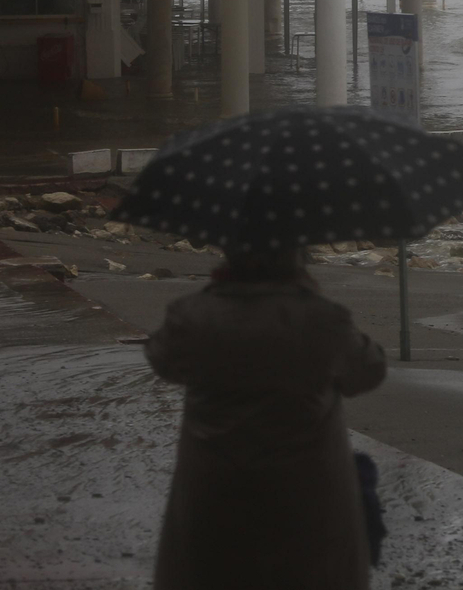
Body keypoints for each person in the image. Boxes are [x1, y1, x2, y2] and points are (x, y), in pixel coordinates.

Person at [145, 244, 387, 590]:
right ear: (295, 257)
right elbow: (368, 371)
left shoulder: (193, 315)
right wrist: (314, 300)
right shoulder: (321, 318)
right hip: (306, 490)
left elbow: (162, 359)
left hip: (214, 485)